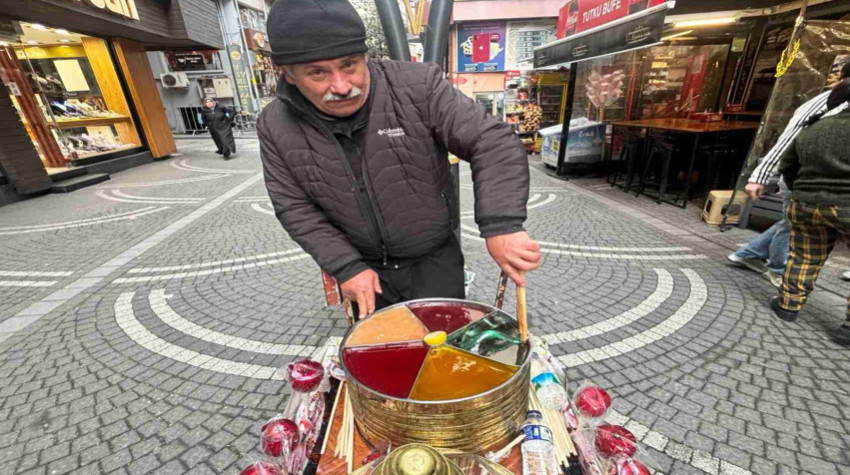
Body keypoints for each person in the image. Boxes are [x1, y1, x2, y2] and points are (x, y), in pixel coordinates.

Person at [258, 0, 540, 318]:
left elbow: (490, 140)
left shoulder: (417, 86)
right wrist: (345, 267)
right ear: (289, 75)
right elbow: (294, 206)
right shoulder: (274, 124)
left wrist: (501, 224)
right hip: (363, 270)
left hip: (433, 261)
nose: (340, 86)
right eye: (317, 73)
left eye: (349, 64)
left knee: (444, 351)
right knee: (380, 357)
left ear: (365, 56)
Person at [731, 64, 850, 288]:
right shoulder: (825, 102)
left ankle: (748, 253)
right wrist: (760, 176)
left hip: (823, 185)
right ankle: (776, 269)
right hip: (804, 180)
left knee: (792, 222)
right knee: (794, 225)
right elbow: (788, 140)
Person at [770, 76, 850, 346]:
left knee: (803, 257)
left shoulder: (813, 127)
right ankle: (847, 331)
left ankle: (788, 305)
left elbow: (787, 165)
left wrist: (801, 192)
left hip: (806, 203)